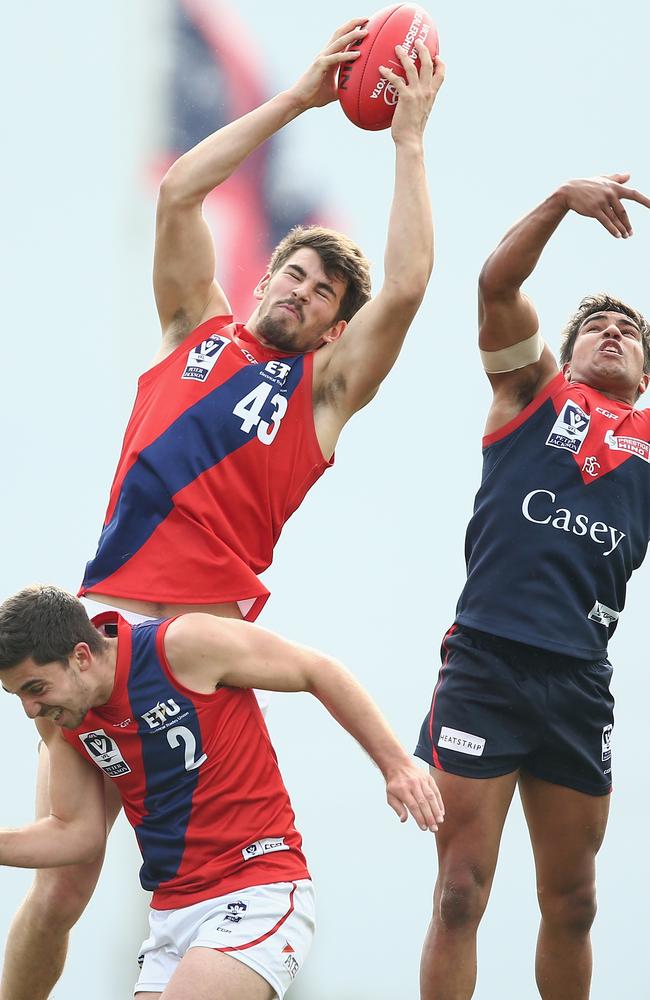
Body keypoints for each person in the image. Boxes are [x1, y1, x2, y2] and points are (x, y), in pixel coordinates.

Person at [1, 21, 445, 1000]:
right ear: (265, 276)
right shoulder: (190, 325)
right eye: (291, 270)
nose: (299, 288)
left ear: (333, 325)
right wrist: (295, 99)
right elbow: (179, 191)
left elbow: (407, 286)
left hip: (192, 655)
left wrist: (407, 141)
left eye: (322, 290)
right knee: (63, 880)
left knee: (220, 872)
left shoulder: (318, 398)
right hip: (101, 639)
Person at [414, 173, 650, 1000]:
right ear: (571, 348)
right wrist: (560, 200)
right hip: (487, 664)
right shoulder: (531, 395)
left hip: (579, 683)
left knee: (576, 903)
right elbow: (496, 283)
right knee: (458, 893)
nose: (612, 334)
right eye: (597, 327)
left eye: (629, 331)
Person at [0, 585, 444, 999]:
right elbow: (75, 834)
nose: (29, 708)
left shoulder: (181, 646)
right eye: (17, 694)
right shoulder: (62, 717)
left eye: (34, 688)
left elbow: (316, 670)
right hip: (170, 914)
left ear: (81, 656)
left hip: (256, 892)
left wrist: (398, 766)